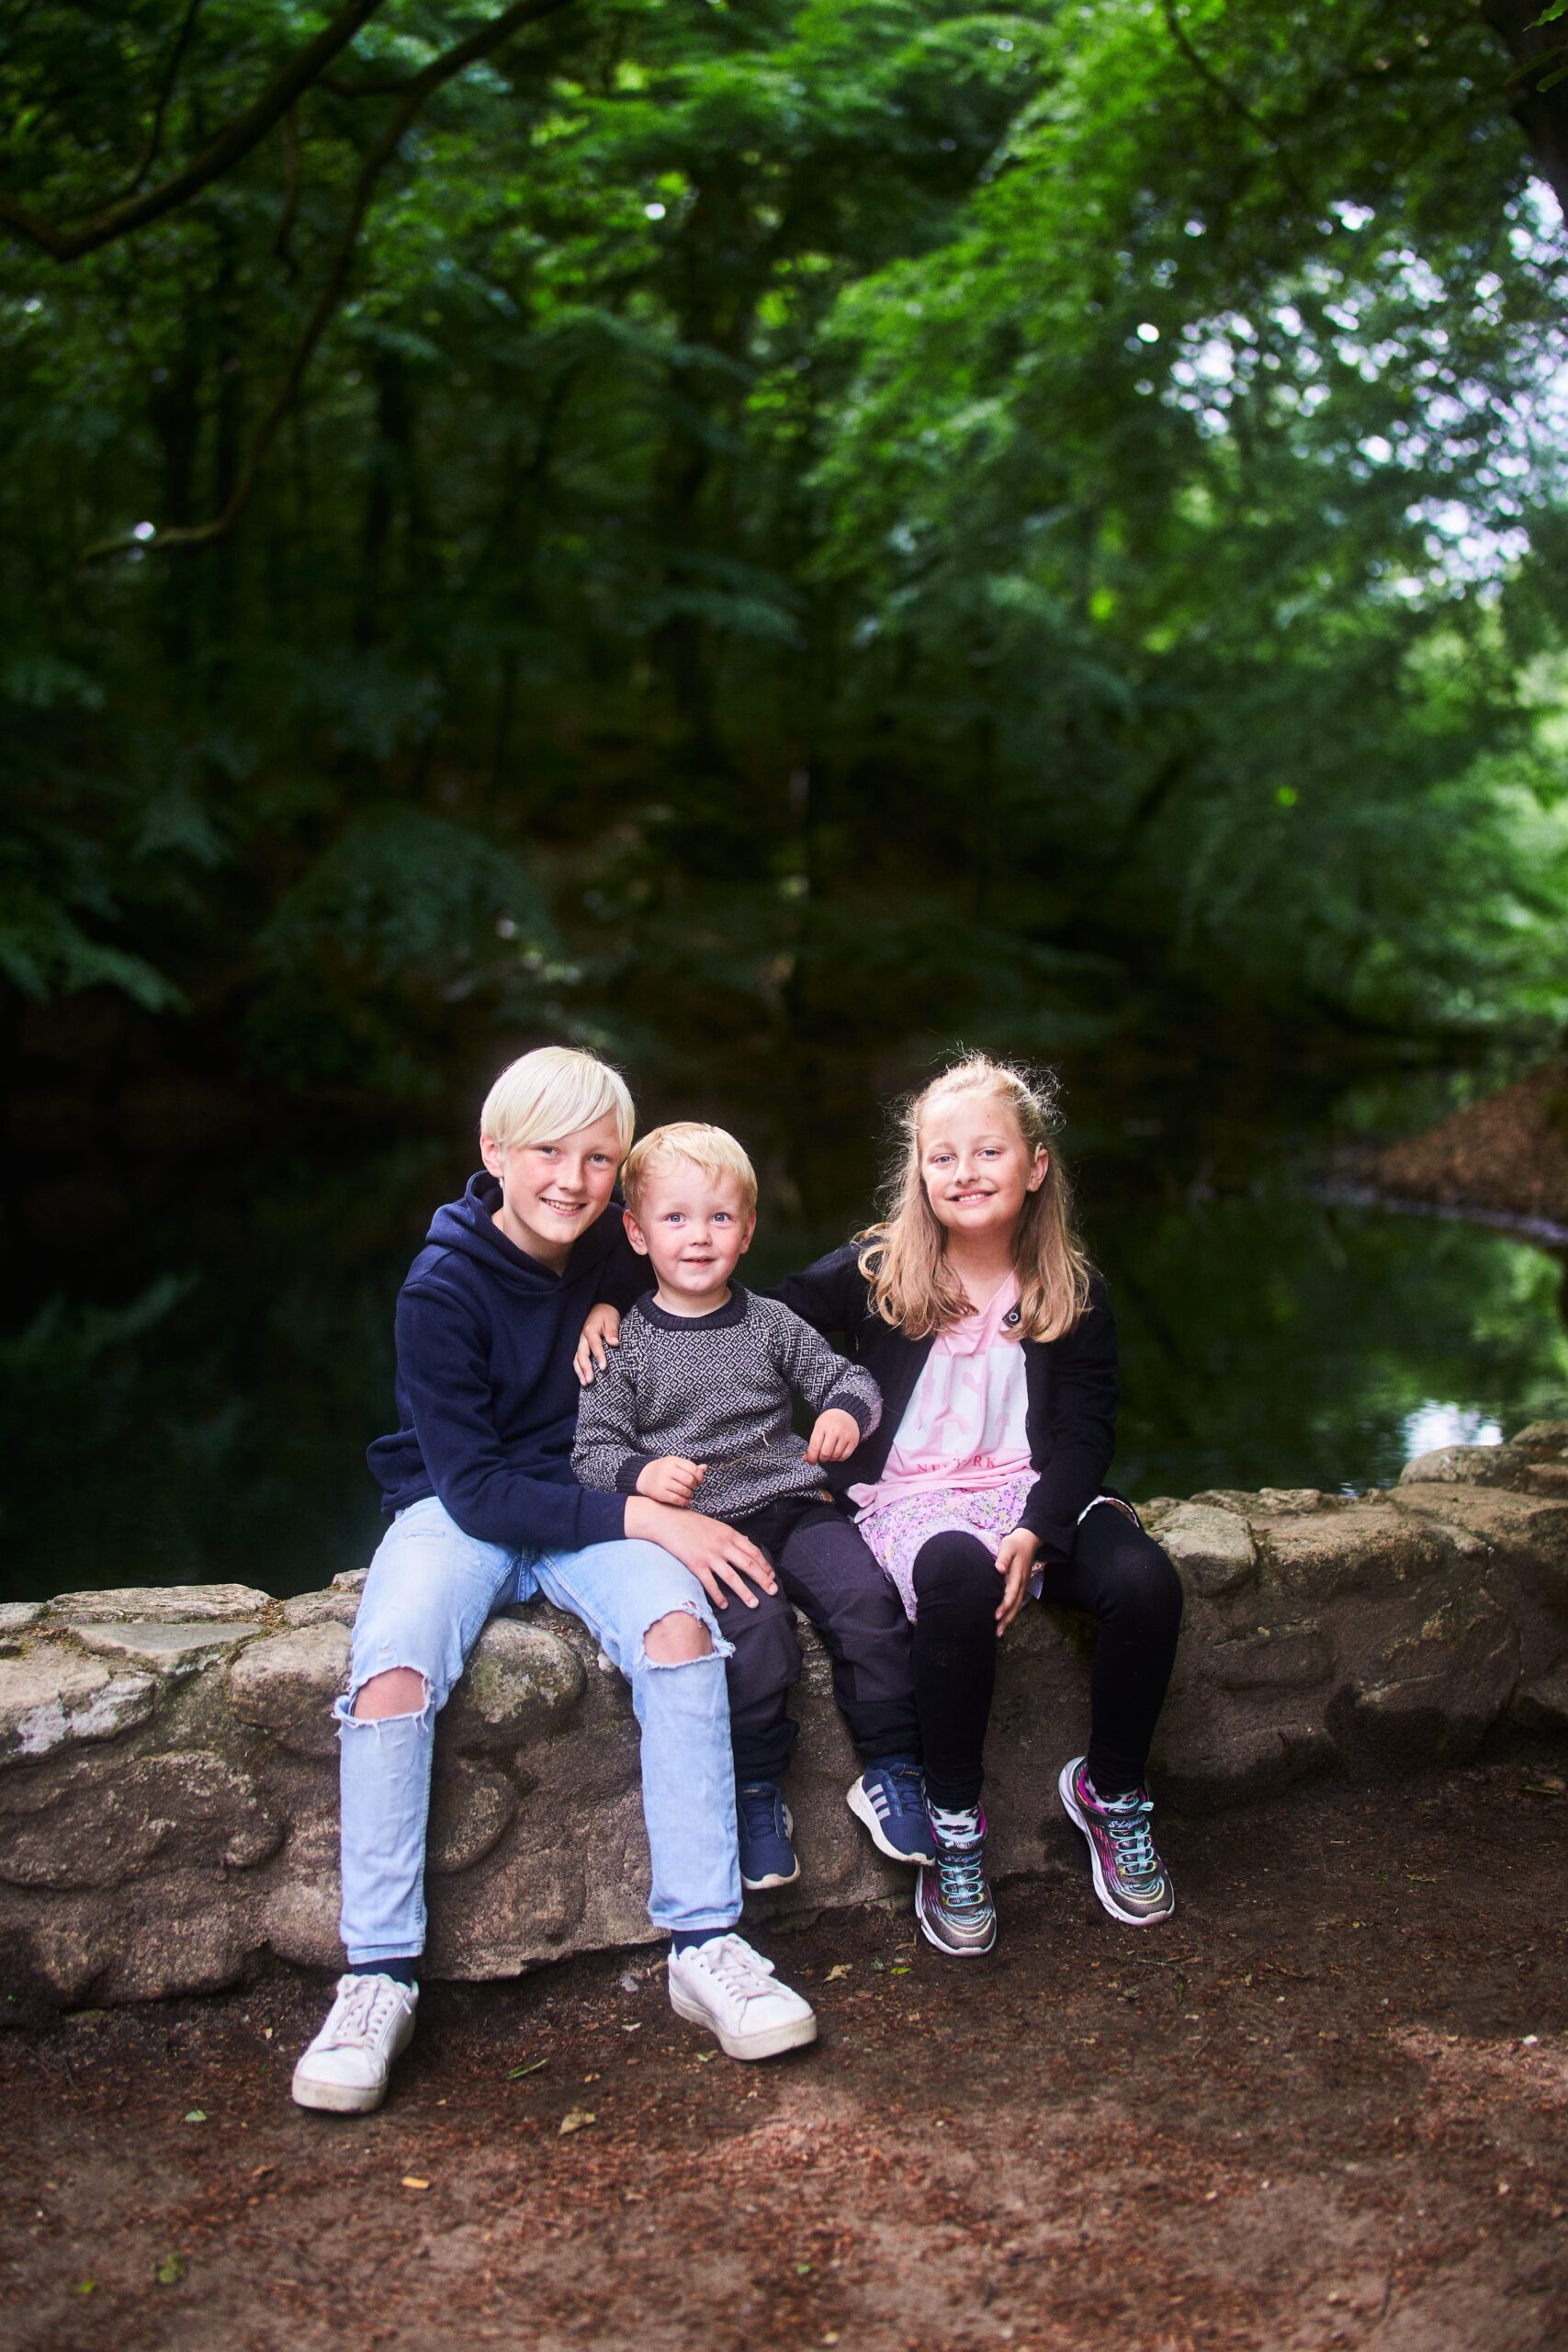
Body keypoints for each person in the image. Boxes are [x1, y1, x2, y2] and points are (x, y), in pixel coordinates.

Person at [291, 1048, 817, 2116]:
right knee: (392, 1669)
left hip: (588, 1492)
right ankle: (377, 1974)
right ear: (494, 1152)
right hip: (462, 1504)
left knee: (679, 1629)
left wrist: (615, 1302)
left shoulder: (615, 1246)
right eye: (547, 1153)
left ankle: (706, 1943)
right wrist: (653, 1517)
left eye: (598, 1159)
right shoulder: (440, 1287)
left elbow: (694, 1272)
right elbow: (481, 1489)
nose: (572, 1181)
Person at [774, 1054, 1184, 1960]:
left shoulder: (1072, 1291)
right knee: (956, 1583)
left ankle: (1112, 1791)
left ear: (1035, 1165)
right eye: (942, 1156)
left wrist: (1039, 1527)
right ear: (919, 1172)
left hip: (1036, 1492)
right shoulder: (879, 1270)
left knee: (1145, 1582)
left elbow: (1084, 1433)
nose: (964, 1172)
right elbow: (757, 1322)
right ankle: (953, 1822)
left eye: (987, 1152)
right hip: (913, 1498)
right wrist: (835, 1398)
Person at [571, 1122, 934, 1893]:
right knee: (757, 1630)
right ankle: (756, 1789)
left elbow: (849, 1378)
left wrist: (844, 1413)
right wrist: (643, 1472)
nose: (698, 1237)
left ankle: (894, 1768)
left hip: (790, 1501)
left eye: (719, 1218)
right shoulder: (623, 1344)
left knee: (866, 1600)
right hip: (702, 1528)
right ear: (636, 1234)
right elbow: (591, 1454)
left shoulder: (768, 1321)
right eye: (675, 1218)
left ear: (746, 1230)